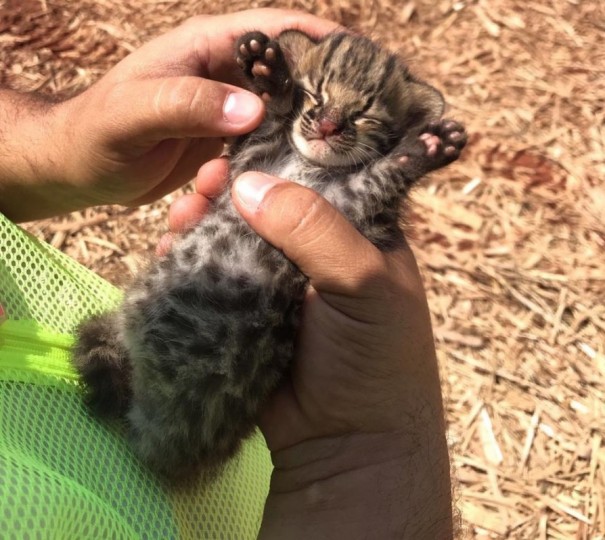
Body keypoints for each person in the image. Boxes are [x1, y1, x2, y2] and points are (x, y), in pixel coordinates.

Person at [0, 10, 453, 539]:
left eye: (365, 121)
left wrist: (398, 170)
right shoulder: (280, 152)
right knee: (113, 350)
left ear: (398, 131)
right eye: (313, 100)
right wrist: (278, 101)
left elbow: (353, 205)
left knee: (145, 415)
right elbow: (251, 163)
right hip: (161, 338)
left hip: (187, 400)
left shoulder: (350, 202)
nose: (328, 125)